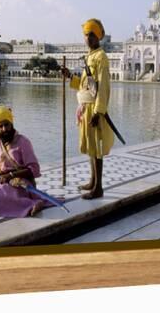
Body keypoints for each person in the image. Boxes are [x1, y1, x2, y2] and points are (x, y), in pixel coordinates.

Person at [62, 18, 114, 199]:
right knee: (91, 146)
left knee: (97, 148)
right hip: (86, 107)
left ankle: (98, 188)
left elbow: (103, 88)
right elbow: (87, 86)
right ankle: (92, 181)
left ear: (99, 36)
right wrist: (70, 77)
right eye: (86, 34)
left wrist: (99, 112)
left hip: (94, 109)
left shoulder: (101, 58)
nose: (88, 38)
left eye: (92, 34)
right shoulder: (90, 56)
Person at [0, 106, 48, 217]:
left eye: (6, 125)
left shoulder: (23, 142)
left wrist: (10, 175)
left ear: (11, 124)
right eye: (0, 126)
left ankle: (33, 203)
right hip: (4, 183)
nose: (4, 129)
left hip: (21, 184)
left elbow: (34, 170)